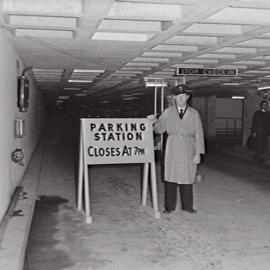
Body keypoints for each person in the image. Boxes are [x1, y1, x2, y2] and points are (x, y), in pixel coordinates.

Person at [149, 84, 205, 214]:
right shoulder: (168, 112)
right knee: (171, 177)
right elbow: (159, 129)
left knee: (187, 176)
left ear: (188, 97)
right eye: (178, 96)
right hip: (172, 146)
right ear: (174, 98)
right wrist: (154, 122)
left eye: (184, 96)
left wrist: (198, 153)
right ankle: (169, 207)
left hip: (188, 146)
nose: (181, 99)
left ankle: (187, 206)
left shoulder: (194, 113)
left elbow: (199, 133)